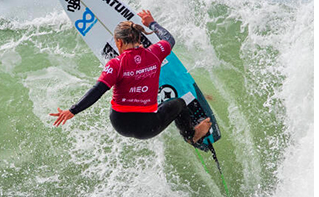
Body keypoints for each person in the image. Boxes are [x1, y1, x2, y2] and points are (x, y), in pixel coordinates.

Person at [50, 10, 211, 144]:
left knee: (122, 89)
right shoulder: (155, 54)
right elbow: (169, 39)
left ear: (119, 43)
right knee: (180, 103)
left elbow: (97, 90)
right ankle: (191, 135)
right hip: (147, 128)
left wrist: (72, 111)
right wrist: (152, 23)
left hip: (120, 123)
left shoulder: (115, 64)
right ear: (140, 38)